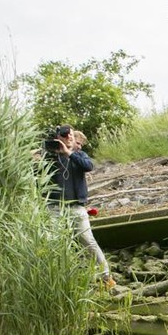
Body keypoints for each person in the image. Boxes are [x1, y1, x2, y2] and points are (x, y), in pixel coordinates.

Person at [44, 124, 115, 289]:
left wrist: (68, 153)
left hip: (76, 207)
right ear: (58, 137)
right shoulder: (49, 158)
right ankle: (57, 279)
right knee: (53, 241)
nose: (68, 137)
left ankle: (106, 277)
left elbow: (88, 166)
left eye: (71, 135)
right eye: (64, 134)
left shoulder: (79, 155)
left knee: (88, 241)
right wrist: (49, 154)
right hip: (54, 207)